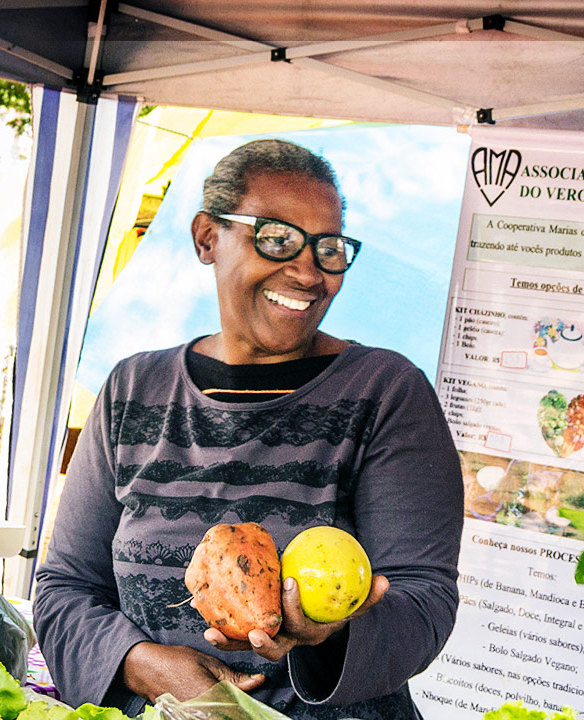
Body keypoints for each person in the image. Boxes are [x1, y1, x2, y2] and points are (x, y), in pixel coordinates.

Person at [34, 139, 464, 719]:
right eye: (277, 238)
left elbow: (424, 601)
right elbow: (64, 589)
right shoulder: (133, 390)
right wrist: (144, 664)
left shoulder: (384, 392)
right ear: (208, 237)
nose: (309, 271)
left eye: (330, 247)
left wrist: (327, 638)